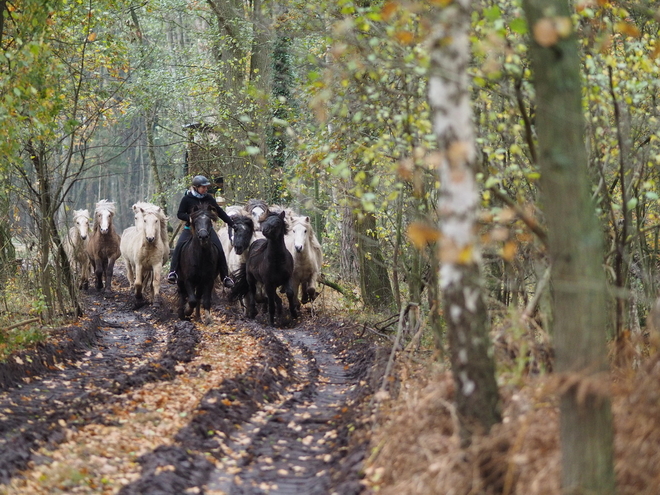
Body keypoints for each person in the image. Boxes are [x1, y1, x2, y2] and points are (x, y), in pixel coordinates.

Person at [167, 175, 234, 287]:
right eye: (203, 187)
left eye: (206, 187)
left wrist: (231, 223)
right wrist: (189, 218)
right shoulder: (187, 199)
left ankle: (225, 277)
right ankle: (173, 272)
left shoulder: (209, 198)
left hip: (207, 230)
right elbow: (180, 214)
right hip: (190, 229)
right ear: (196, 187)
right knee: (179, 246)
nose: (206, 189)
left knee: (219, 248)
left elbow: (220, 211)